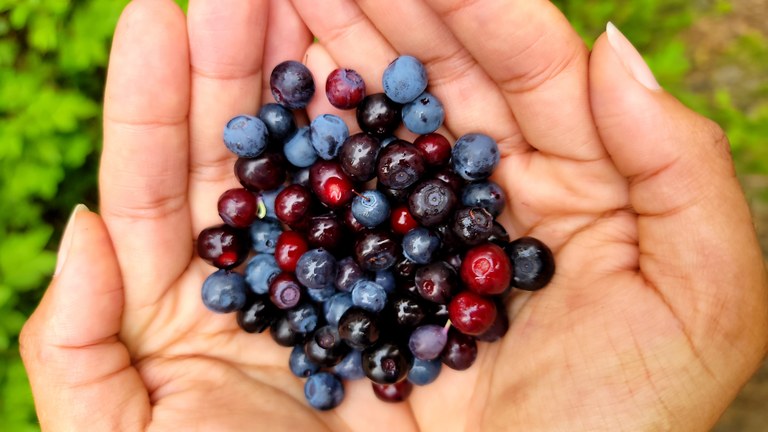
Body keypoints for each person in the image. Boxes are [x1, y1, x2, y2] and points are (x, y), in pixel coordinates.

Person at [19, 0, 768, 430]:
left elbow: (392, 240)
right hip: (349, 295)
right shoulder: (325, 231)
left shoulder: (429, 225)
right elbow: (334, 252)